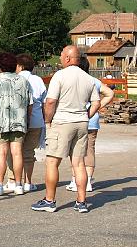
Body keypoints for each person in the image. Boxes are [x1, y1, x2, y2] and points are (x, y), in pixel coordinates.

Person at [31, 45, 113, 213]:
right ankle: (81, 202)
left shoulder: (59, 76)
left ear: (68, 58)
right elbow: (97, 102)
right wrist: (86, 115)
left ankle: (49, 200)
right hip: (81, 123)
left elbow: (51, 101)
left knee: (52, 162)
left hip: (62, 122)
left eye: (61, 55)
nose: (60, 58)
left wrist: (48, 121)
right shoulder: (89, 78)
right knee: (78, 162)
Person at [0, 52, 31, 195]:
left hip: (0, 120)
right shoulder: (23, 81)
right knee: (17, 153)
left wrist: (1, 106)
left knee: (2, 153)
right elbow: (30, 103)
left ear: (0, 67)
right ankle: (18, 185)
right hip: (19, 120)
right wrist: (26, 119)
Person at [10, 53, 47, 192]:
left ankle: (14, 180)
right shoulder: (38, 80)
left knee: (15, 152)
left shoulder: (15, 79)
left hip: (18, 120)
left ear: (20, 66)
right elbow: (44, 101)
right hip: (37, 121)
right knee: (29, 152)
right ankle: (28, 182)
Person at [68, 57, 101, 193]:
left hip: (76, 118)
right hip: (92, 119)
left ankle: (75, 179)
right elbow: (110, 93)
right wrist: (96, 107)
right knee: (90, 150)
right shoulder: (94, 81)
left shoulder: (73, 80)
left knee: (75, 150)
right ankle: (87, 181)